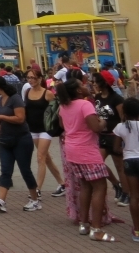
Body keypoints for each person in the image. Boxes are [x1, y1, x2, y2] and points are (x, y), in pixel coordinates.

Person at [57, 77, 114, 240]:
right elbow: (95, 127)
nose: (85, 85)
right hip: (87, 150)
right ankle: (96, 229)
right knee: (100, 186)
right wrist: (103, 122)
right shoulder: (85, 104)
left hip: (71, 149)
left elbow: (62, 125)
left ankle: (84, 223)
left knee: (85, 185)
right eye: (81, 85)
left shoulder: (64, 105)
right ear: (78, 91)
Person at [0, 75, 41, 212]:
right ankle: (1, 201)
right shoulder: (1, 100)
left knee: (25, 170)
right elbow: (3, 118)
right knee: (5, 170)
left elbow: (20, 118)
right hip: (5, 139)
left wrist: (1, 117)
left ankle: (35, 199)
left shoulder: (15, 99)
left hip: (21, 139)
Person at [22, 69, 65, 197]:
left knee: (40, 157)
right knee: (46, 158)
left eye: (34, 78)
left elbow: (56, 111)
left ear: (40, 78)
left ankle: (37, 189)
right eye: (29, 78)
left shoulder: (47, 94)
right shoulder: (27, 92)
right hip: (33, 129)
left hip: (46, 130)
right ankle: (62, 184)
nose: (31, 80)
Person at [92, 70, 127, 206]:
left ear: (103, 83)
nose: (93, 84)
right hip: (102, 136)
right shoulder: (97, 97)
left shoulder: (117, 99)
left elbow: (123, 118)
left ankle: (127, 193)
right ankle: (116, 184)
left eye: (95, 82)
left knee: (120, 166)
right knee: (97, 163)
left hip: (115, 136)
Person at [111, 97, 139, 242]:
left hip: (129, 161)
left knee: (134, 196)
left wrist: (127, 150)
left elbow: (116, 148)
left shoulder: (120, 127)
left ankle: (137, 230)